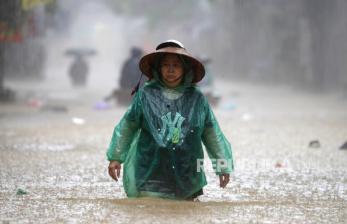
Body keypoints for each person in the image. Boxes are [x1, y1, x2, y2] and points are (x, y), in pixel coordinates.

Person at [106, 40, 234, 200]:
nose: (171, 70)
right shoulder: (146, 95)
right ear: (158, 68)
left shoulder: (196, 98)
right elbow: (127, 126)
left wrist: (222, 166)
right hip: (150, 171)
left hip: (187, 171)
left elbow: (211, 132)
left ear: (185, 69)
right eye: (166, 65)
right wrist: (116, 158)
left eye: (176, 65)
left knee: (185, 211)